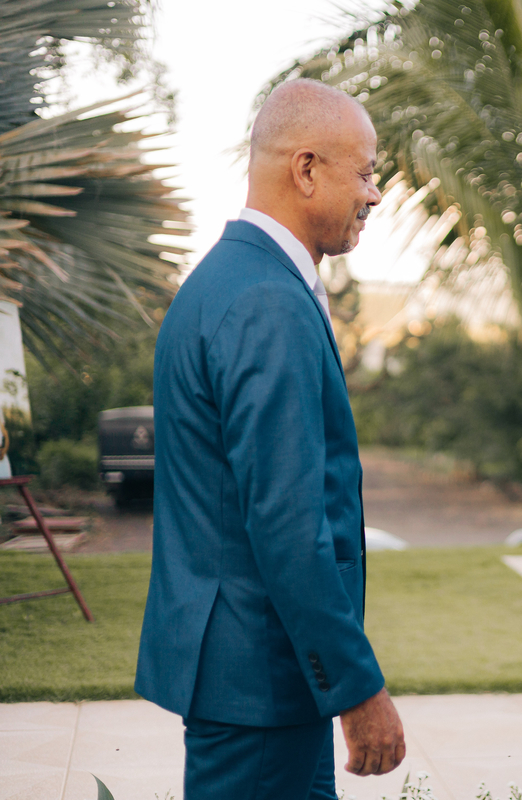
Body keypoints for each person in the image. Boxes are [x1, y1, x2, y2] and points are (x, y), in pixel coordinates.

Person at [135, 79, 404, 799]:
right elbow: (287, 521)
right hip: (259, 682)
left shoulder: (229, 280)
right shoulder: (265, 301)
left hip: (261, 681)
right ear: (307, 169)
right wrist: (357, 688)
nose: (375, 194)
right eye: (366, 172)